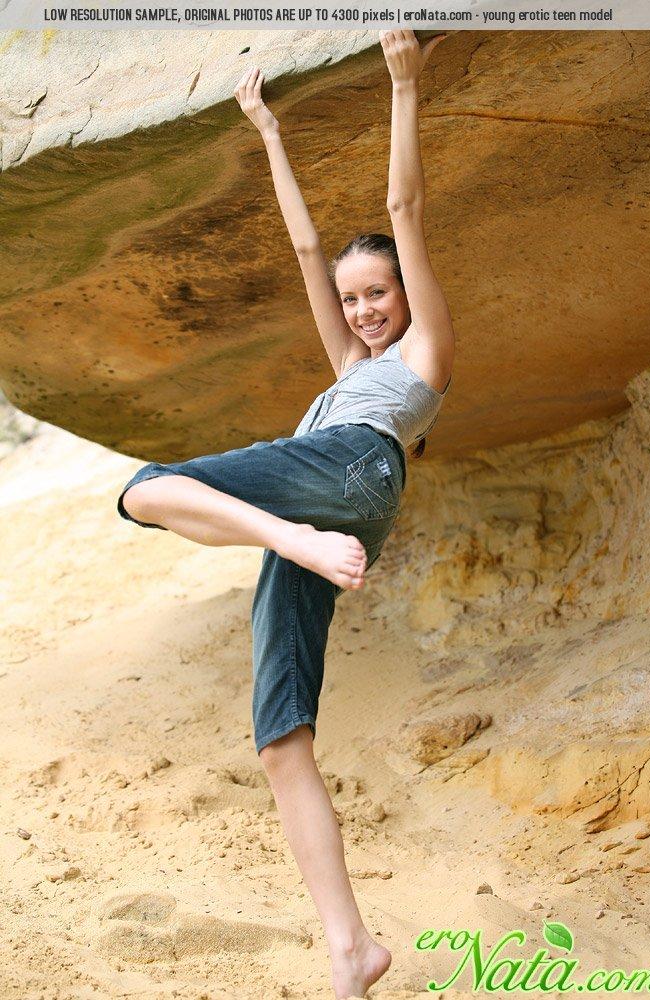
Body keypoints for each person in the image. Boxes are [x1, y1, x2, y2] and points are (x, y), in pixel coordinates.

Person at [116, 30, 454, 1000]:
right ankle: (350, 948)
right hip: (326, 506)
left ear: (404, 294)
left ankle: (291, 536)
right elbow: (305, 245)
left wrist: (402, 85)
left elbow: (404, 206)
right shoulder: (346, 365)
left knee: (146, 487)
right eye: (351, 300)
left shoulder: (420, 354)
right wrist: (265, 129)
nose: (361, 311)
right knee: (279, 740)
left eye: (376, 293)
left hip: (351, 478)